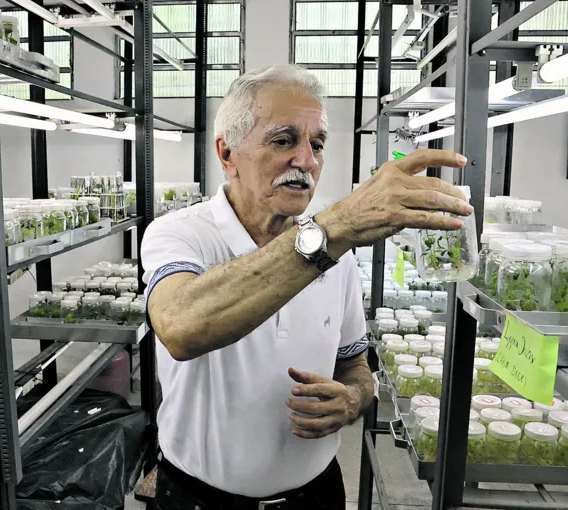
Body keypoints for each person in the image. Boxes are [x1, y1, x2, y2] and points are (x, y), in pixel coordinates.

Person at [141, 65, 471, 510]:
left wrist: (354, 398)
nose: (306, 161)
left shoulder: (337, 254)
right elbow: (181, 328)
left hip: (316, 495)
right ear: (227, 154)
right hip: (197, 498)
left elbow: (355, 366)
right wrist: (338, 225)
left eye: (317, 144)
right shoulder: (181, 234)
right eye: (283, 140)